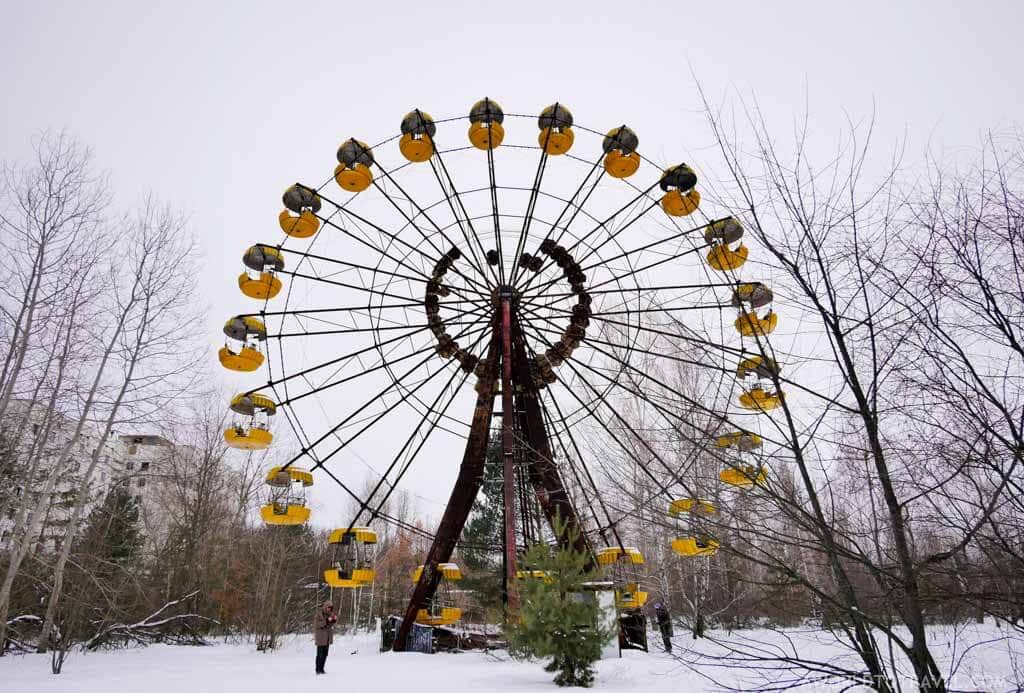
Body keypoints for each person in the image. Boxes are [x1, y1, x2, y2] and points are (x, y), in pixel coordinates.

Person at [314, 600, 337, 674]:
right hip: (320, 638)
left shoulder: (330, 614)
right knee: (319, 654)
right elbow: (317, 625)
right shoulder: (319, 614)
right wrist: (326, 620)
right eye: (328, 608)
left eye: (330, 608)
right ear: (325, 607)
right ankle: (318, 669)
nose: (329, 609)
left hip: (327, 638)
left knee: (325, 654)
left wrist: (333, 620)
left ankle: (322, 669)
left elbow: (329, 625)